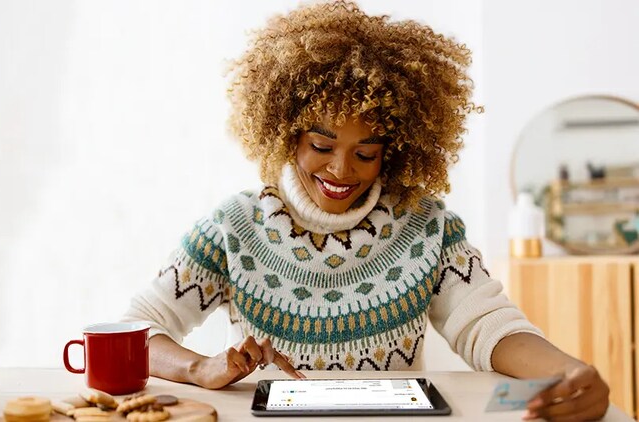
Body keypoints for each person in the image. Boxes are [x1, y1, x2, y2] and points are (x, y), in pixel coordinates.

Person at [123, 1, 609, 420]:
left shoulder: (427, 227)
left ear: (392, 151)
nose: (340, 170)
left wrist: (568, 372)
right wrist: (199, 367)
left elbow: (488, 325)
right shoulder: (233, 227)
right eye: (321, 144)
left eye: (366, 152)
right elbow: (135, 332)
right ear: (286, 132)